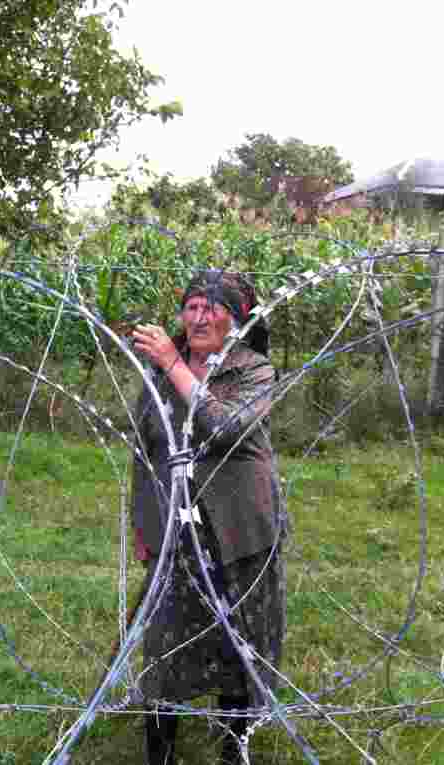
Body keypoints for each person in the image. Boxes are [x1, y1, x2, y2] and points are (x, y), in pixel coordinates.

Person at [127, 271, 286, 765]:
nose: (198, 318)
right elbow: (146, 447)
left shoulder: (254, 371)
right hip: (175, 525)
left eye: (211, 308)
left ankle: (233, 751)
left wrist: (174, 364)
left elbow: (224, 428)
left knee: (236, 641)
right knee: (165, 641)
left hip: (239, 528)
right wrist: (141, 520)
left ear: (236, 321)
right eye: (191, 307)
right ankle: (161, 753)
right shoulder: (158, 371)